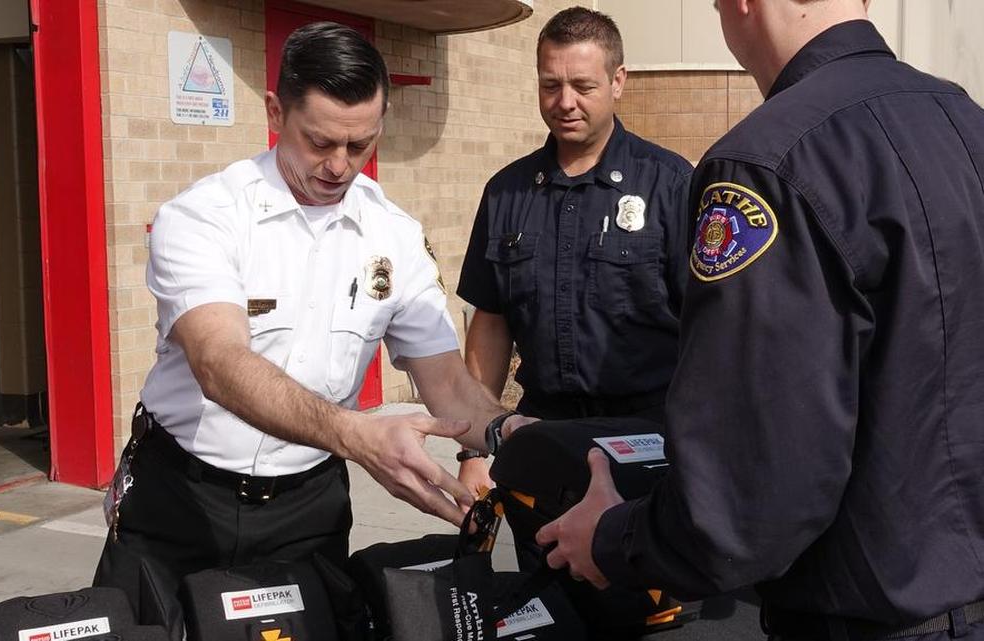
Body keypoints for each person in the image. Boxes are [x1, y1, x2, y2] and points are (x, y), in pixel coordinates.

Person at [537, 1, 984, 639]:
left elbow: (751, 491)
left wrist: (614, 540)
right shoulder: (965, 121)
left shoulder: (767, 164)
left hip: (865, 614)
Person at [93, 21, 530, 625]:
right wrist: (358, 436)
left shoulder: (394, 235)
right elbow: (219, 363)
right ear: (276, 112)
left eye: (360, 145)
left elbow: (448, 382)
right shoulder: (205, 217)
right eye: (320, 142)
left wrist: (513, 433)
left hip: (307, 510)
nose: (339, 166)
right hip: (181, 500)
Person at [454, 7, 692, 495]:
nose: (565, 102)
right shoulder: (507, 192)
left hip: (649, 441)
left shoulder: (671, 185)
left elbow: (710, 325)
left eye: (583, 86)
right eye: (550, 85)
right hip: (543, 435)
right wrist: (474, 448)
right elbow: (491, 322)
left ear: (618, 81)